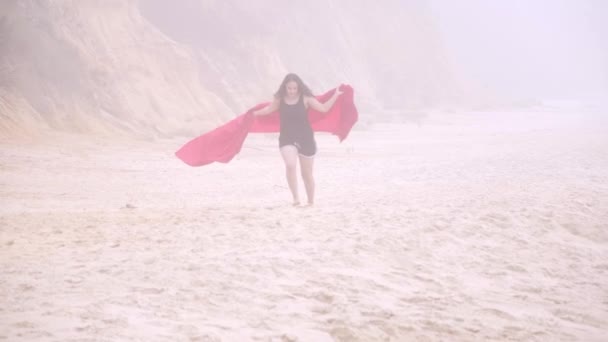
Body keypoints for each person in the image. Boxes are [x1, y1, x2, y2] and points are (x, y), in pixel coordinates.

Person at [253, 73, 343, 206]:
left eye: (294, 88)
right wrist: (252, 114)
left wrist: (336, 95)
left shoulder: (306, 98)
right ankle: (296, 198)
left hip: (305, 138)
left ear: (299, 88)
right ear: (285, 87)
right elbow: (268, 110)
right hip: (287, 137)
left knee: (306, 175)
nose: (292, 91)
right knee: (290, 164)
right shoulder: (280, 99)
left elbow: (324, 109)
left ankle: (311, 202)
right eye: (289, 88)